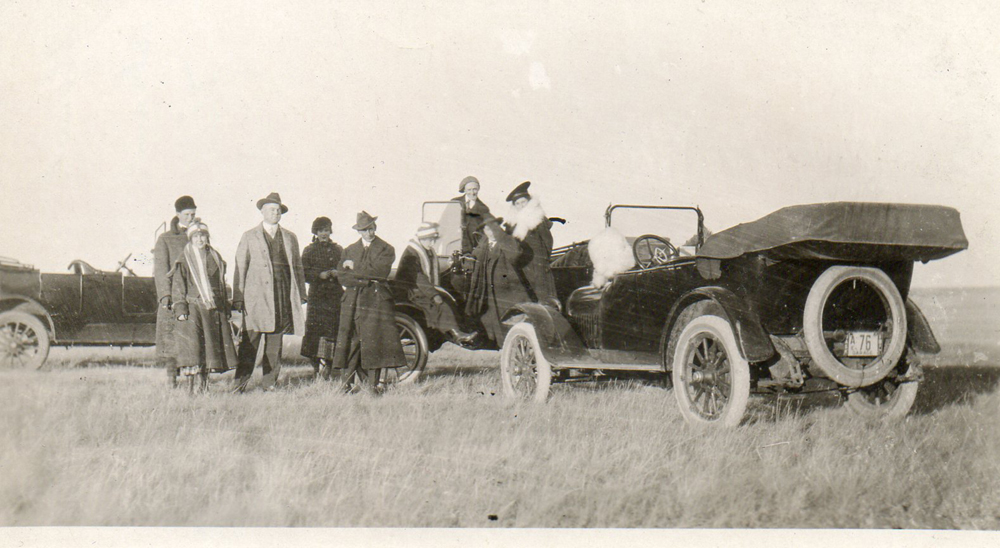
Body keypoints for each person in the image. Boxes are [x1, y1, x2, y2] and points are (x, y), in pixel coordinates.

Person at [231, 192, 307, 392]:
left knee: (275, 344)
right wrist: (238, 298)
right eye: (272, 209)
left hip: (281, 296)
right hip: (256, 300)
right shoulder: (249, 236)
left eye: (278, 210)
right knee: (250, 342)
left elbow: (297, 267)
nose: (276, 213)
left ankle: (270, 383)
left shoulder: (290, 237)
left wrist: (301, 293)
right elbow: (240, 267)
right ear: (262, 212)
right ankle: (240, 384)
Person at [331, 211, 406, 391]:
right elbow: (342, 277)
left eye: (371, 228)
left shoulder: (386, 249)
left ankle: (373, 386)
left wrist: (354, 268)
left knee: (374, 342)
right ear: (359, 231)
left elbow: (379, 272)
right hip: (352, 302)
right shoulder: (349, 250)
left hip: (375, 301)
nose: (369, 233)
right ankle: (346, 384)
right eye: (365, 230)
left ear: (375, 227)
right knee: (351, 342)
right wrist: (364, 278)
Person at [171, 221, 237, 389]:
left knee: (209, 349)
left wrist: (225, 308)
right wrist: (180, 308)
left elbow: (221, 284)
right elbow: (179, 285)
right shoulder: (184, 258)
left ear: (207, 237)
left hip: (212, 309)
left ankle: (204, 386)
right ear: (190, 238)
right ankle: (191, 389)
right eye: (196, 236)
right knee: (193, 350)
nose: (200, 239)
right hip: (193, 309)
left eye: (203, 236)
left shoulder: (215, 257)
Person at [396, 222, 475, 345]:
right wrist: (433, 294)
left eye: (433, 240)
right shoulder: (411, 253)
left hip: (420, 289)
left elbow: (432, 274)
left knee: (450, 299)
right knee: (441, 304)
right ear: (422, 239)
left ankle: (457, 330)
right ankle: (455, 334)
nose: (432, 243)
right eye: (430, 240)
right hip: (410, 292)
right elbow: (419, 278)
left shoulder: (427, 250)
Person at [464, 214, 530, 346]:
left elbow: (515, 254)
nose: (491, 232)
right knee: (492, 324)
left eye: (494, 229)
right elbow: (473, 257)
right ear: (484, 231)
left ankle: (515, 348)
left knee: (511, 323)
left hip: (507, 291)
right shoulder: (483, 245)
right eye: (487, 229)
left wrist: (502, 237)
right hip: (488, 293)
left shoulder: (507, 242)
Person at [153, 195, 197, 388]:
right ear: (178, 214)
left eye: (193, 214)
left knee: (192, 338)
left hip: (193, 296)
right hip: (173, 296)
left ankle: (193, 382)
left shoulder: (198, 236)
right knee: (171, 339)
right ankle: (172, 380)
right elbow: (161, 269)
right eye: (187, 214)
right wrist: (165, 296)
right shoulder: (165, 239)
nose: (190, 218)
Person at [300, 216, 343, 378]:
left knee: (333, 331)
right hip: (317, 297)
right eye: (320, 230)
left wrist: (337, 273)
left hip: (335, 296)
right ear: (315, 232)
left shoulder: (338, 250)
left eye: (326, 230)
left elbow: (345, 268)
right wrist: (319, 275)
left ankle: (331, 368)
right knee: (315, 332)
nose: (324, 233)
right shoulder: (309, 250)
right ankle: (317, 369)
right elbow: (303, 272)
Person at [504, 181, 558, 308]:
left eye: (523, 202)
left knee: (543, 296)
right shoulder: (512, 224)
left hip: (538, 264)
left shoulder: (537, 218)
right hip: (522, 265)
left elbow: (547, 241)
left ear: (529, 202)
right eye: (517, 204)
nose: (521, 206)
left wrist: (543, 260)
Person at [452, 176, 492, 255]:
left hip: (472, 250)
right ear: (464, 190)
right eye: (469, 190)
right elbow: (445, 222)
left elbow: (485, 232)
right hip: (454, 246)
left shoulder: (483, 208)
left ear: (478, 189)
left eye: (475, 189)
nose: (472, 192)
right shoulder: (454, 202)